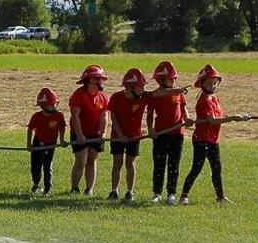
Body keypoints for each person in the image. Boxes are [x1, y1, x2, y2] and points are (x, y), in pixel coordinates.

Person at [181, 64, 248, 204]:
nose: (213, 86)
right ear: (202, 84)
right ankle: (183, 196)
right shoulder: (204, 100)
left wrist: (234, 117)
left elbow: (218, 117)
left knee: (217, 168)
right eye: (209, 83)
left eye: (215, 83)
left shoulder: (215, 98)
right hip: (201, 139)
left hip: (213, 139)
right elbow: (212, 121)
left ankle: (220, 197)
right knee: (196, 168)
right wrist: (232, 118)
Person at [146, 60, 189, 205]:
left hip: (177, 134)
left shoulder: (179, 94)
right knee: (159, 163)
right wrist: (150, 128)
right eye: (171, 78)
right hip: (160, 134)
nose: (174, 81)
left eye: (174, 78)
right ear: (160, 80)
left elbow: (183, 108)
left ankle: (171, 193)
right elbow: (150, 113)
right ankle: (157, 193)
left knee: (174, 165)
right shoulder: (155, 94)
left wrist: (187, 119)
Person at [106, 68, 149, 202]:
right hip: (117, 136)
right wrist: (120, 135)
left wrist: (177, 91)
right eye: (140, 86)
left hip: (134, 136)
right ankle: (114, 190)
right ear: (130, 88)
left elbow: (159, 94)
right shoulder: (116, 98)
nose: (142, 89)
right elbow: (113, 117)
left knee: (130, 162)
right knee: (117, 162)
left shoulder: (143, 97)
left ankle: (130, 191)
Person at [68, 64, 110, 195]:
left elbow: (104, 116)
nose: (101, 82)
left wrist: (103, 133)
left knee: (92, 160)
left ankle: (89, 189)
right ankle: (74, 188)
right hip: (79, 133)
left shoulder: (103, 97)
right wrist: (80, 135)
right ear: (91, 80)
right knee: (81, 160)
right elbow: (75, 116)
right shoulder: (78, 95)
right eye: (98, 79)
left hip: (95, 134)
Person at [27, 88, 67, 194]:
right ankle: (36, 184)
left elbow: (62, 127)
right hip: (38, 142)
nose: (55, 107)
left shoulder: (59, 116)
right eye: (52, 104)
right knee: (35, 165)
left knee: (47, 165)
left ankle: (47, 188)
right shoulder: (36, 117)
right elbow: (30, 129)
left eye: (55, 104)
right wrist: (29, 145)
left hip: (51, 143)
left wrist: (62, 140)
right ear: (43, 106)